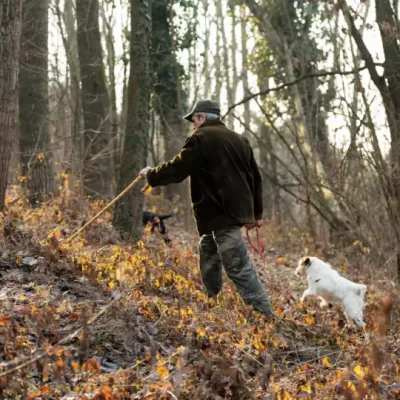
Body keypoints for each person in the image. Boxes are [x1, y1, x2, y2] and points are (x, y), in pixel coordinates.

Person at [139, 100, 274, 318]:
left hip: (221, 214)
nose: (192, 125)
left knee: (238, 266)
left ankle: (267, 316)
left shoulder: (200, 138)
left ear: (202, 117)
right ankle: (213, 303)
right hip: (221, 215)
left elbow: (178, 168)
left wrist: (152, 174)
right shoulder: (241, 139)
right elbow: (256, 179)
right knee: (208, 250)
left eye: (193, 120)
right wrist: (256, 214)